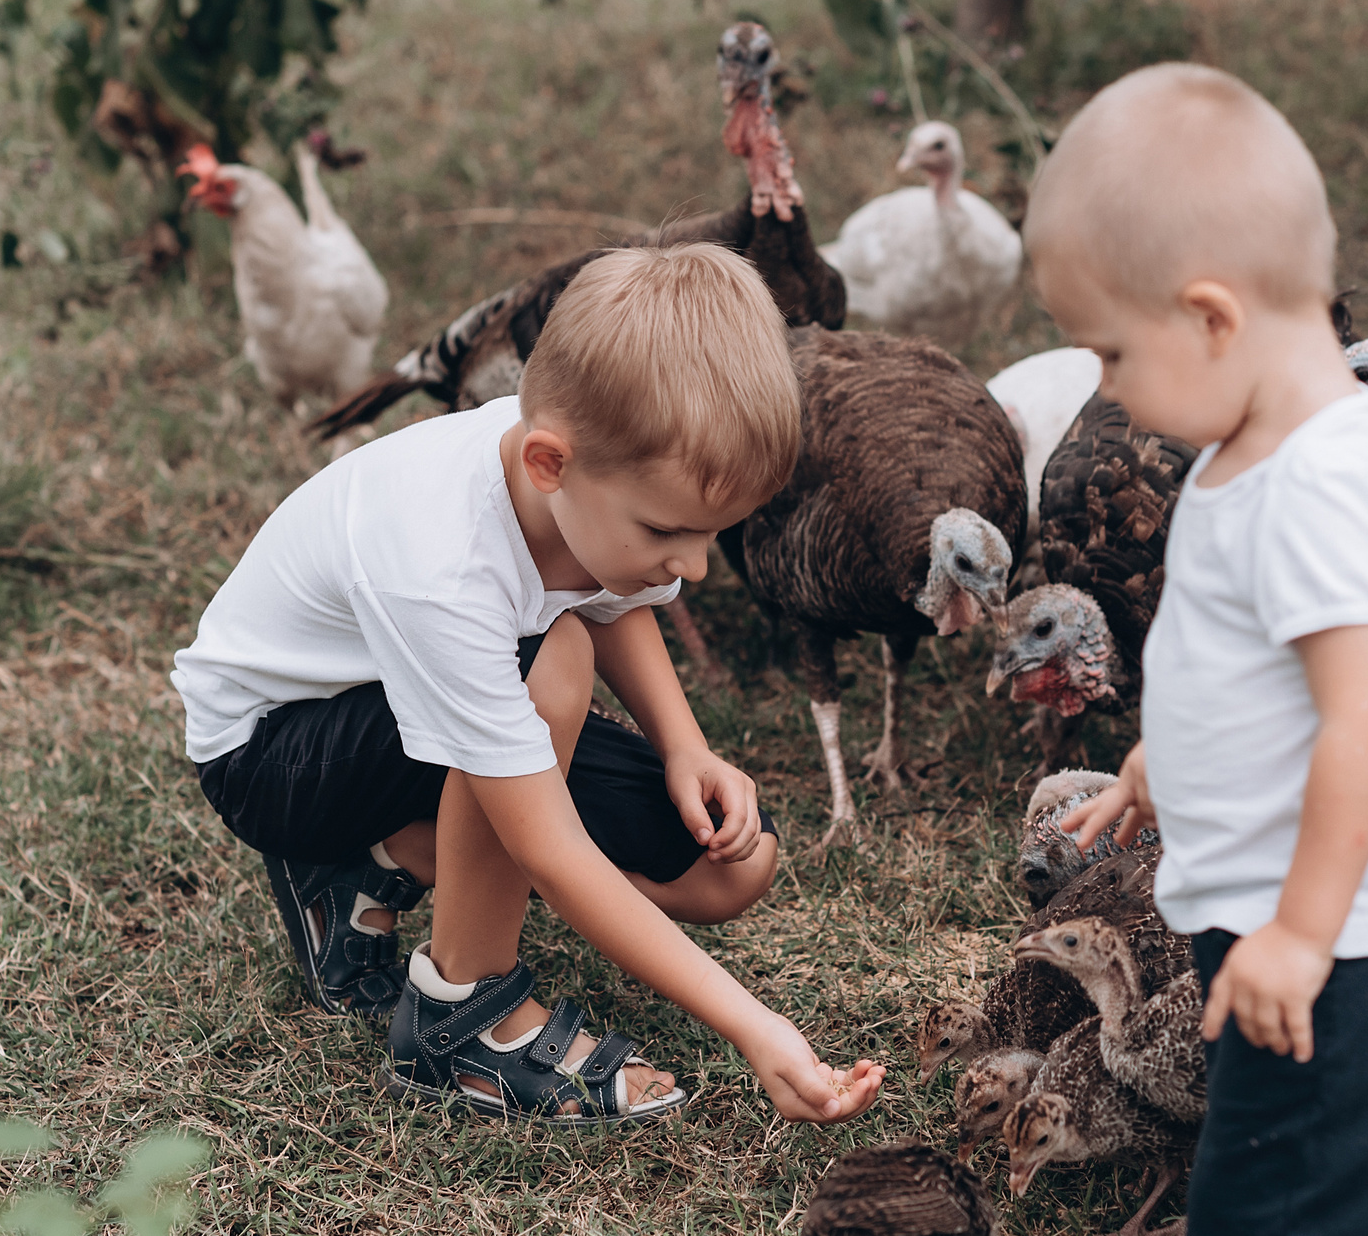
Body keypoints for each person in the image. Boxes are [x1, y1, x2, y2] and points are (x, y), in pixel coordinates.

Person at [171, 242, 883, 1128]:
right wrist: (755, 1026)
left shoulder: (592, 472)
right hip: (276, 753)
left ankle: (367, 866)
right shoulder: (441, 560)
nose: (694, 567)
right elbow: (551, 846)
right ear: (549, 462)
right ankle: (461, 1015)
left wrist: (683, 746)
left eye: (714, 534)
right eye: (669, 529)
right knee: (557, 662)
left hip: (423, 713)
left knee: (726, 870)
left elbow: (615, 598)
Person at [1039, 66, 1368, 1236]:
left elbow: (1365, 716)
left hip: (1319, 927)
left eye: (1109, 353)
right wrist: (1169, 760)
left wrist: (1299, 933)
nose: (1104, 386)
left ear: (1210, 317)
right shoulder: (1253, 453)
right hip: (1282, 913)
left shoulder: (1318, 486)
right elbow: (1252, 668)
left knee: (1261, 1218)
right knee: (1310, 1153)